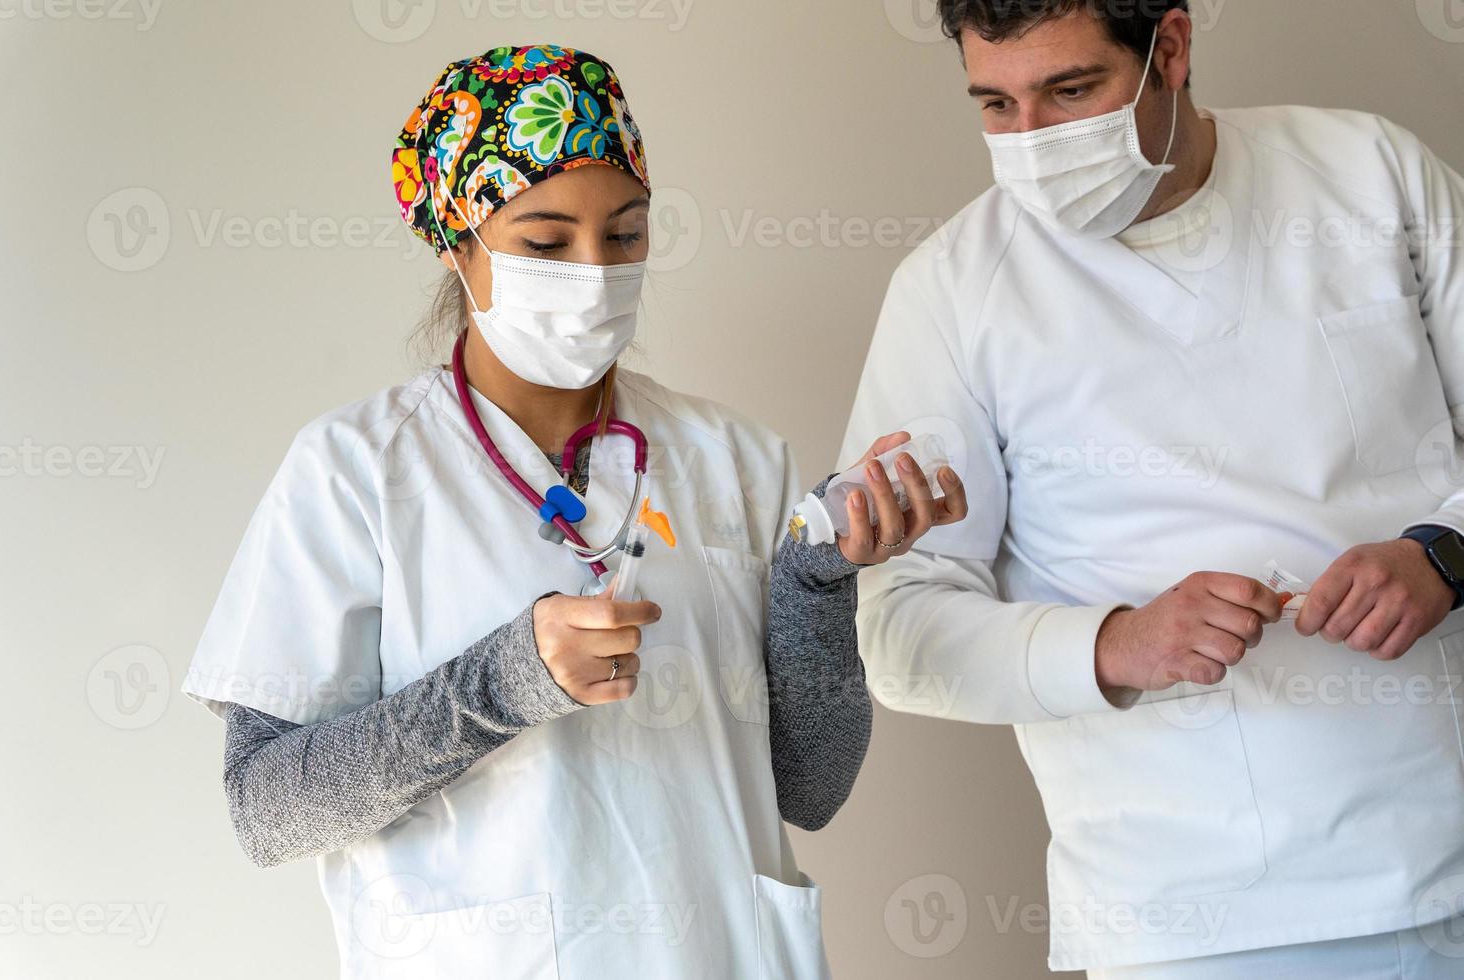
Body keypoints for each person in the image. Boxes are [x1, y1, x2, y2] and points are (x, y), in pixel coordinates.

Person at [182, 44, 967, 979]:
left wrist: (814, 575)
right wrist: (505, 681)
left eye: (626, 235)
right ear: (456, 241)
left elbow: (811, 788)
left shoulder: (739, 459)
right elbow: (266, 808)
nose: (595, 273)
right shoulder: (356, 469)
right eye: (547, 244)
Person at [841, 3, 1464, 977]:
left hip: (1442, 857)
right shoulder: (955, 293)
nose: (1035, 143)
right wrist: (1117, 643)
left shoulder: (1370, 175)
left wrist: (1443, 554)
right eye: (996, 104)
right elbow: (899, 632)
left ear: (1169, 49)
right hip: (1184, 914)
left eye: (1071, 91)